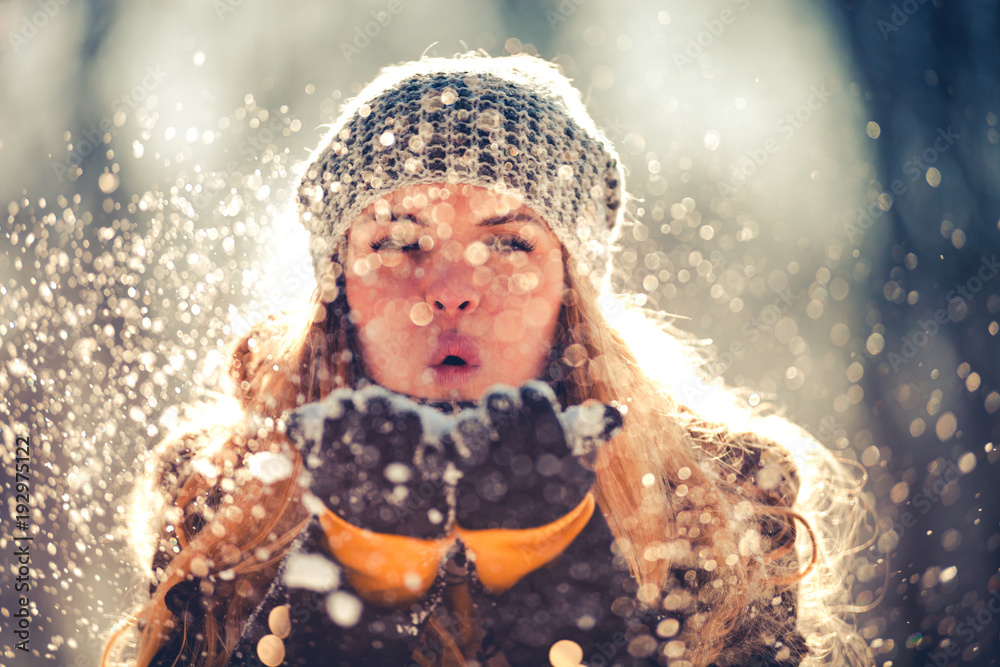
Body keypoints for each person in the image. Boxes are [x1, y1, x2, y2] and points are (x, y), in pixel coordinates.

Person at [102, 54, 870, 667]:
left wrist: (556, 576)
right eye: (397, 241)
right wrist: (355, 594)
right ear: (338, 293)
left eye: (508, 243)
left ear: (570, 291)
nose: (450, 290)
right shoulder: (222, 497)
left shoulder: (721, 499)